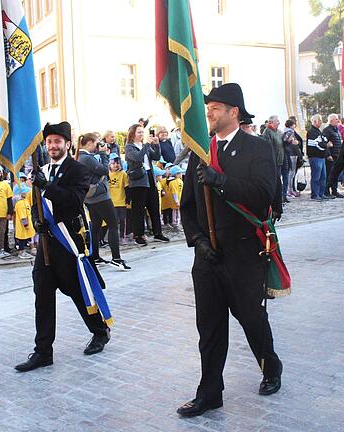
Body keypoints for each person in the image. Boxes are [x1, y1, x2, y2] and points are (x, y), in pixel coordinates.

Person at [177, 83, 282, 417]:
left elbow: (264, 195)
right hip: (208, 257)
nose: (209, 112)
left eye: (216, 107)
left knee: (251, 318)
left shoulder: (257, 148)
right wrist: (199, 241)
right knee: (209, 327)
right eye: (208, 107)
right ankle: (210, 392)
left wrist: (220, 181)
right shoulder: (200, 150)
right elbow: (187, 207)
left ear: (234, 112)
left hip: (243, 253)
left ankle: (270, 365)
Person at [14, 121, 111, 373]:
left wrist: (48, 186)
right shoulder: (42, 170)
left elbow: (73, 202)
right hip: (47, 244)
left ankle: (100, 331)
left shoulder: (77, 170)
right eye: (49, 142)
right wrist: (37, 221)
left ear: (67, 144)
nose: (53, 146)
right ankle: (43, 351)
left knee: (78, 292)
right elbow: (36, 203)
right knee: (42, 296)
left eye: (58, 141)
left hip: (69, 243)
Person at [77, 133, 130, 270]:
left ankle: (95, 256)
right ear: (89, 143)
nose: (97, 146)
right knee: (113, 224)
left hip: (91, 197)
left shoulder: (79, 156)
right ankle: (116, 258)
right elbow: (104, 170)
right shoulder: (86, 158)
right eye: (96, 143)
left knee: (96, 226)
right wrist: (105, 155)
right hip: (100, 197)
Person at [124, 123, 170, 246]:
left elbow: (156, 156)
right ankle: (138, 235)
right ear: (133, 134)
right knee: (138, 209)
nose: (141, 134)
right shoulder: (129, 147)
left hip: (149, 176)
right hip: (138, 180)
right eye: (139, 132)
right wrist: (147, 145)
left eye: (142, 132)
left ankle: (158, 233)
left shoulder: (145, 145)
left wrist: (156, 144)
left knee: (154, 206)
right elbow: (138, 157)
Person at [306, 114, 329, 201]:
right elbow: (315, 145)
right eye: (319, 120)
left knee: (323, 176)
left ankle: (321, 193)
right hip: (315, 157)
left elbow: (323, 141)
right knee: (316, 176)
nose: (321, 122)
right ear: (315, 121)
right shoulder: (311, 132)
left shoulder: (319, 131)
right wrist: (326, 145)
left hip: (322, 157)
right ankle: (315, 194)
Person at [108, 155, 129, 246]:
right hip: (111, 202)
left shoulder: (123, 174)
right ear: (109, 165)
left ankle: (122, 237)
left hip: (121, 201)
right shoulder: (107, 174)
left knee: (122, 220)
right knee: (114, 221)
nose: (115, 165)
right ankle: (114, 238)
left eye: (117, 163)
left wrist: (128, 199)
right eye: (113, 163)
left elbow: (127, 187)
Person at [324, 114, 344, 198]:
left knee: (335, 174)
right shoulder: (327, 130)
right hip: (331, 156)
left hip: (337, 155)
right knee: (329, 174)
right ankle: (326, 191)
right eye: (336, 119)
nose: (338, 120)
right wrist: (328, 154)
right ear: (331, 121)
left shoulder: (337, 130)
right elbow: (325, 143)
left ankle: (334, 190)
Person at [13, 184, 35, 260]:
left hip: (28, 223)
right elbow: (23, 216)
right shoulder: (20, 204)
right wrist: (26, 225)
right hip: (23, 226)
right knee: (22, 239)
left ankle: (25, 250)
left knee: (26, 237)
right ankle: (21, 251)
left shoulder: (25, 201)